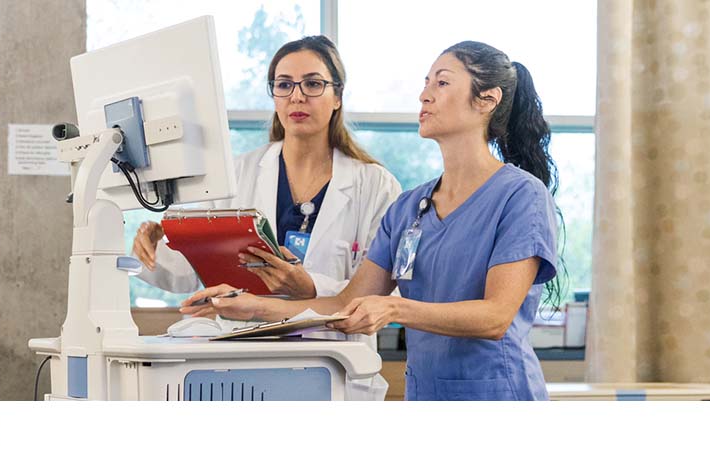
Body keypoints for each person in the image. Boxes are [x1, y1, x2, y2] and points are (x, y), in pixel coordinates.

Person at [182, 41, 561, 401]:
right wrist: (249, 306)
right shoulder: (411, 207)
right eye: (425, 83)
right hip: (426, 396)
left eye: (442, 82)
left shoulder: (520, 196)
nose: (424, 95)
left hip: (498, 395)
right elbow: (346, 302)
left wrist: (394, 308)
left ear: (487, 100)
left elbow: (495, 316)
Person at [133, 35, 401, 304]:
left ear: (337, 97)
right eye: (284, 85)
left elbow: (385, 290)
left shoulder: (376, 185)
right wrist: (157, 247)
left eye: (313, 84)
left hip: (333, 344)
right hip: (249, 341)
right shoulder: (236, 175)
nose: (297, 96)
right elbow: (194, 271)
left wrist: (312, 287)